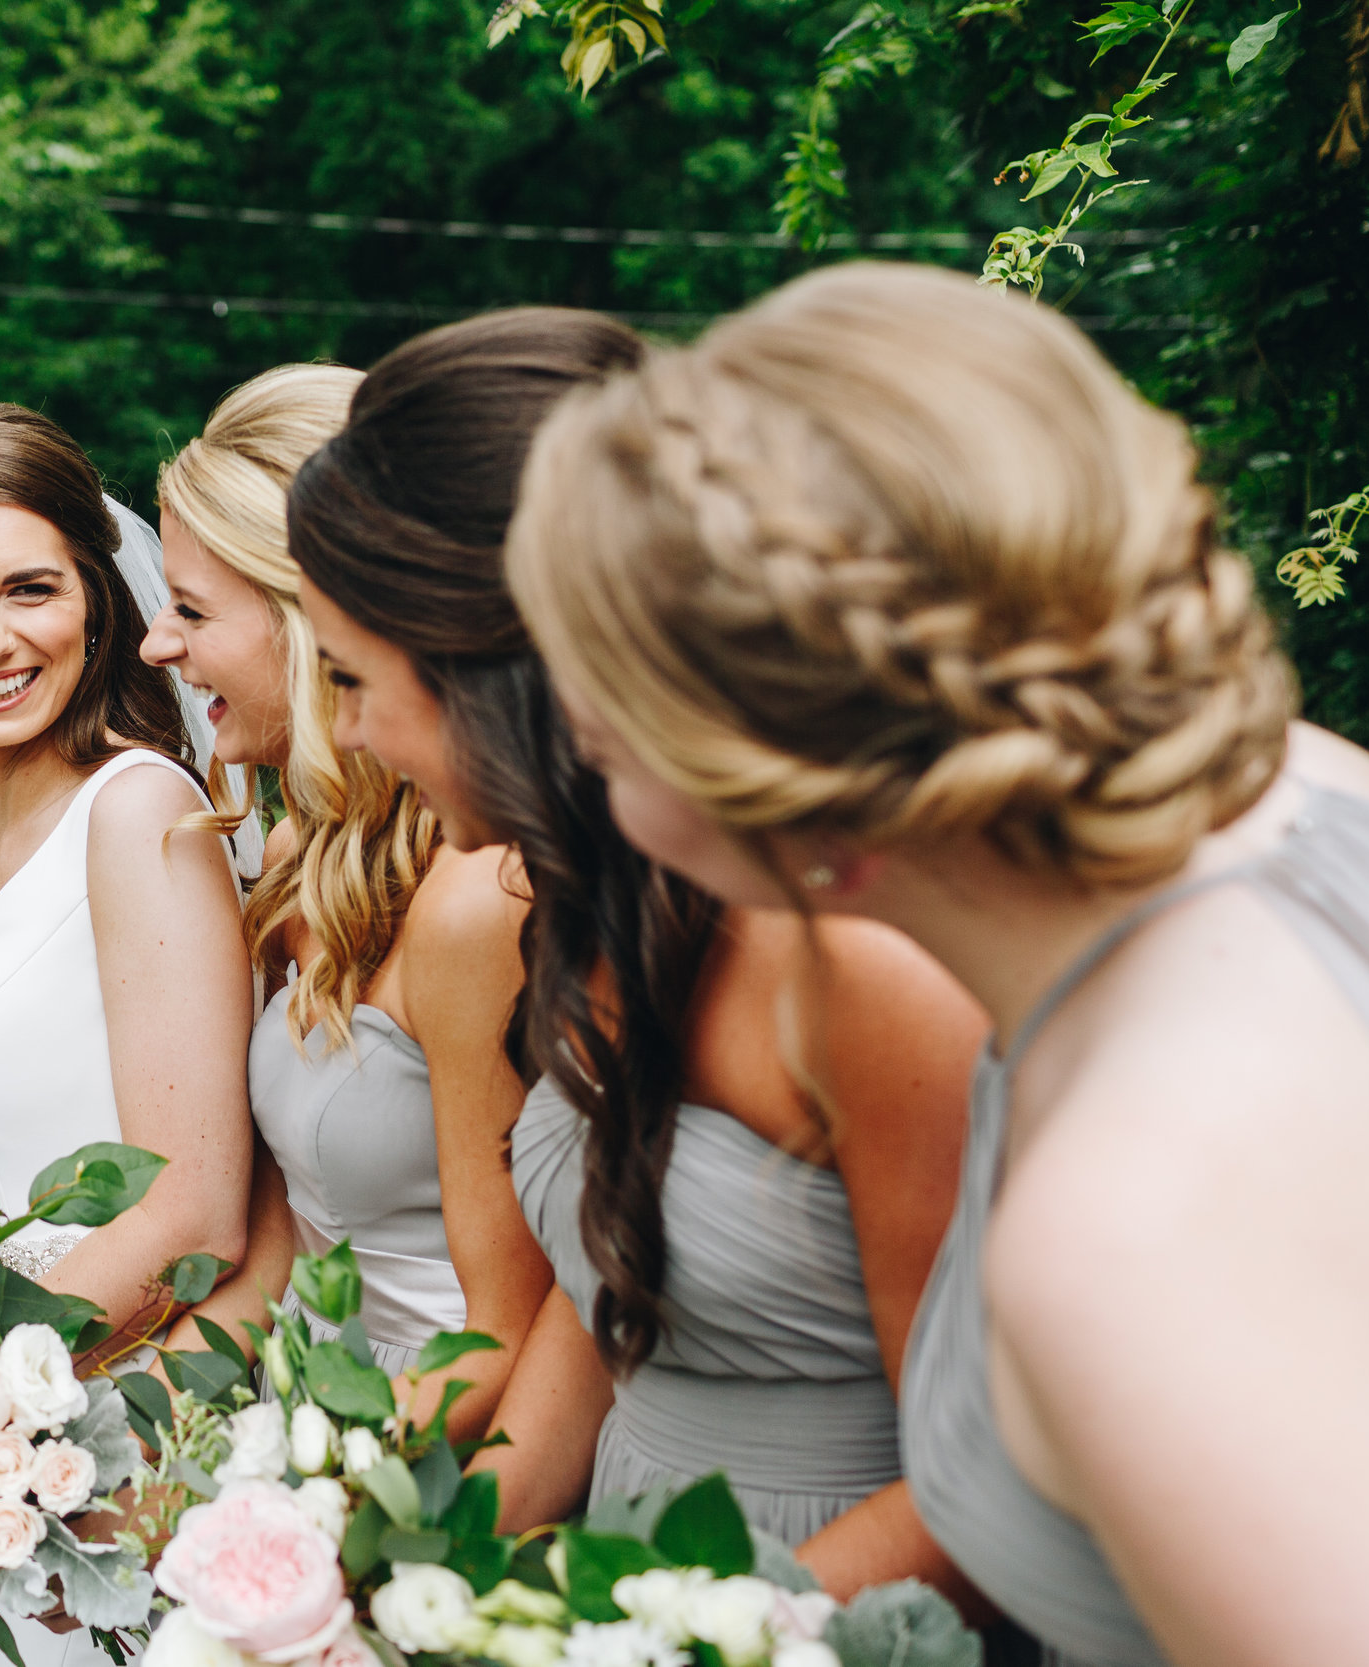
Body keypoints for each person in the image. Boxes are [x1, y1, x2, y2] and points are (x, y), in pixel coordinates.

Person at [506, 261, 1369, 1666]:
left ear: (810, 819)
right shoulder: (1322, 794)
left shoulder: (1121, 1227)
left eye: (600, 731)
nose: (568, 750)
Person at [284, 308, 987, 1605]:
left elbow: (995, 1488)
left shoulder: (862, 963)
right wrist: (406, 1580)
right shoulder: (572, 903)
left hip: (831, 1607)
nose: (353, 730)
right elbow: (605, 1317)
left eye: (348, 675)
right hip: (633, 1573)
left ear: (496, 671)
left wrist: (668, 1642)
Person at [0, 400, 253, 1666]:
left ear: (100, 595)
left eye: (29, 588)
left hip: (105, 1428)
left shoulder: (138, 817)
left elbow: (195, 1211)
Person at [139, 362, 552, 1436]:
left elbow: (509, 1325)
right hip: (305, 1418)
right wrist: (118, 1443)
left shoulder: (478, 899)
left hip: (442, 1460)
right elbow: (282, 1245)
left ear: (308, 617)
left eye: (189, 608)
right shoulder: (300, 854)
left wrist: (308, 1502)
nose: (157, 644)